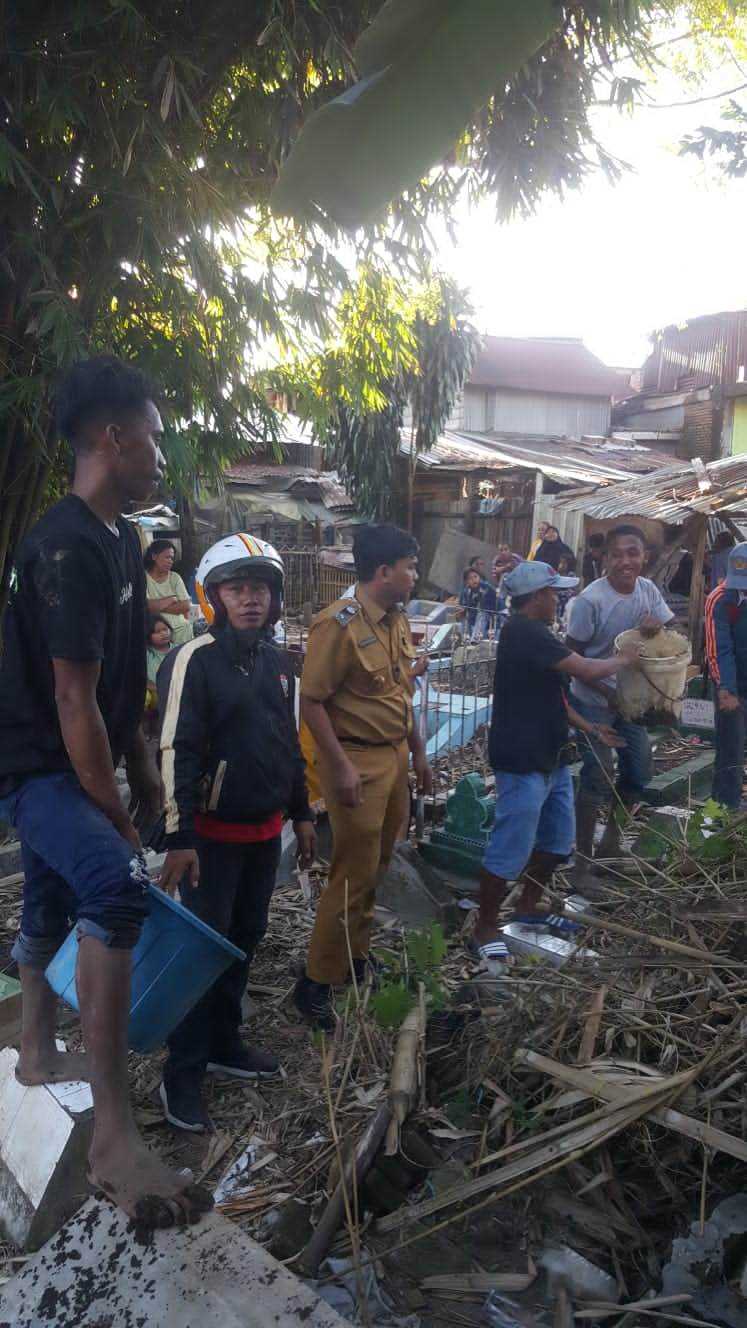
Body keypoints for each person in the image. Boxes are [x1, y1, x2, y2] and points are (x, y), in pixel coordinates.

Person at [0, 355, 212, 1228]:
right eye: (155, 438)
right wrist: (119, 814)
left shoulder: (120, 541)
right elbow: (70, 698)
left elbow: (121, 684)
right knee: (113, 885)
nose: (161, 454)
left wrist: (147, 770)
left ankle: (37, 1051)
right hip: (35, 764)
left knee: (56, 887)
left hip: (81, 752)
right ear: (114, 438)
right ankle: (114, 1137)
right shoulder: (62, 545)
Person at [156, 534, 316, 1131]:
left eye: (261, 589)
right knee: (198, 951)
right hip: (210, 840)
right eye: (237, 588)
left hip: (262, 832)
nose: (251, 599)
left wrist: (301, 813)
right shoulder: (194, 658)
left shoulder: (278, 663)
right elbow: (176, 749)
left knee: (244, 938)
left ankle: (225, 1044)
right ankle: (183, 1072)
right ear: (214, 596)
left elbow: (288, 745)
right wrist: (179, 837)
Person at [293, 525, 432, 1031]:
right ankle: (315, 982)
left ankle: (353, 955)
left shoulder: (395, 620)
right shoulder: (339, 625)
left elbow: (397, 693)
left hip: (392, 758)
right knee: (351, 872)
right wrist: (340, 766)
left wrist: (417, 753)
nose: (415, 576)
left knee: (375, 864)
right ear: (383, 571)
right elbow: (311, 702)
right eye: (410, 567)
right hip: (356, 760)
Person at [472, 561, 637, 963]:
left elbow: (559, 700)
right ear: (535, 598)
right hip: (522, 757)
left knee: (557, 840)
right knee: (510, 845)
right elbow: (583, 668)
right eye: (552, 593)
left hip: (553, 754)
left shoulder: (539, 634)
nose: (558, 599)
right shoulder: (523, 631)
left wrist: (593, 729)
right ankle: (485, 927)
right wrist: (622, 659)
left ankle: (528, 907)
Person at [566, 525, 674, 863]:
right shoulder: (590, 601)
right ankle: (583, 859)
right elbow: (571, 659)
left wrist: (658, 629)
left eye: (633, 553)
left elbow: (673, 632)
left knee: (638, 774)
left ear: (645, 557)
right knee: (597, 776)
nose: (625, 561)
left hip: (632, 701)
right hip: (593, 700)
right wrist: (605, 691)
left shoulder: (648, 591)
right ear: (604, 557)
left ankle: (609, 846)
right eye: (616, 553)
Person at [705, 541, 747, 809]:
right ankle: (722, 814)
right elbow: (719, 650)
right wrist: (727, 690)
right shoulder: (720, 600)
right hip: (730, 684)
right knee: (730, 753)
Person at [144, 539, 193, 646]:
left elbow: (186, 606)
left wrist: (158, 606)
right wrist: (171, 599)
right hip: (157, 633)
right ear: (154, 556)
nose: (170, 561)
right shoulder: (143, 578)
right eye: (167, 557)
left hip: (182, 630)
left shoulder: (175, 577)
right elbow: (148, 607)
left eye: (172, 558)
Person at [144, 614, 174, 738]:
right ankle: (143, 728)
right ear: (148, 636)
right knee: (144, 697)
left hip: (173, 691)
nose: (163, 634)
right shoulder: (146, 653)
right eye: (157, 632)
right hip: (153, 691)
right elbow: (141, 678)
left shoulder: (178, 650)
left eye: (165, 629)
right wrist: (154, 687)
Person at [458, 567, 499, 641]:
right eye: (470, 578)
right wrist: (461, 611)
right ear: (466, 582)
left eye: (475, 577)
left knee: (481, 614)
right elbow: (464, 605)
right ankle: (465, 641)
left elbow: (484, 608)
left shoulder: (486, 588)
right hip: (475, 616)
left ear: (479, 577)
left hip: (493, 616)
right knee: (463, 616)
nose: (474, 580)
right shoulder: (467, 590)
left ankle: (475, 640)